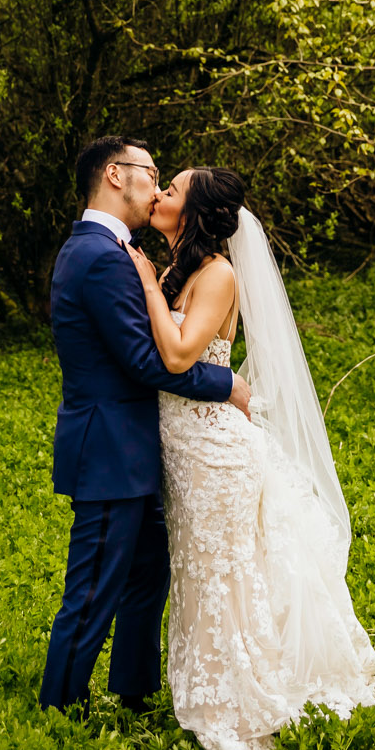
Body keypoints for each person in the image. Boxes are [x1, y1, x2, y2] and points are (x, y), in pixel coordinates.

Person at [124, 166, 375, 750]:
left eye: (173, 190)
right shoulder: (175, 269)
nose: (160, 194)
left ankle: (239, 702)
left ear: (191, 213)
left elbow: (180, 352)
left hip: (216, 454)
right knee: (196, 571)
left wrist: (143, 286)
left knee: (222, 573)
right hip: (184, 448)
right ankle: (209, 688)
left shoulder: (217, 275)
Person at [38, 137, 252, 715]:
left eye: (167, 180)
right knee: (92, 588)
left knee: (148, 571)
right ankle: (59, 706)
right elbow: (145, 360)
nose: (157, 186)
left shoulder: (114, 251)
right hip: (110, 450)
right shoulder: (100, 256)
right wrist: (226, 385)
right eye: (151, 173)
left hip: (138, 448)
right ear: (115, 175)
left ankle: (134, 691)